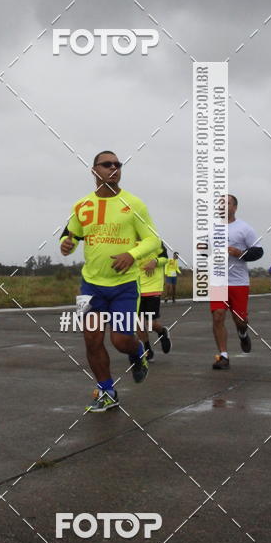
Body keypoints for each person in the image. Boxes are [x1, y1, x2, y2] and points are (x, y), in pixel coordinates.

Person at [60, 150, 161, 412]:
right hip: (90, 286)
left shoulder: (134, 204)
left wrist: (131, 254)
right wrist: (66, 244)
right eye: (107, 164)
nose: (113, 168)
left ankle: (137, 351)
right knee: (92, 340)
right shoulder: (81, 205)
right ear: (94, 171)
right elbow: (70, 235)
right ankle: (107, 391)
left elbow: (153, 240)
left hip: (125, 286)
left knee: (120, 341)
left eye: (118, 165)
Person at [210, 194, 263, 369]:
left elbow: (258, 251)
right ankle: (223, 356)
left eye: (227, 203)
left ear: (235, 208)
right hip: (218, 281)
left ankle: (242, 333)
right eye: (220, 203)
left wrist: (238, 253)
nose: (223, 206)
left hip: (238, 282)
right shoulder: (212, 228)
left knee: (239, 319)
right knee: (218, 316)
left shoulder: (244, 228)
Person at [137, 243, 172, 360]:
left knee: (151, 324)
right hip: (135, 288)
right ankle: (147, 350)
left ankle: (162, 332)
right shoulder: (128, 239)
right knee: (139, 323)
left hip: (153, 288)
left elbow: (165, 259)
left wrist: (155, 262)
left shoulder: (154, 240)